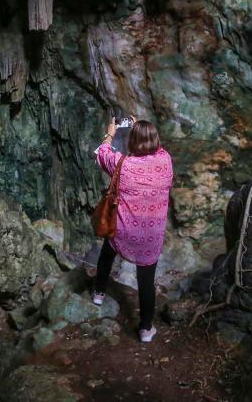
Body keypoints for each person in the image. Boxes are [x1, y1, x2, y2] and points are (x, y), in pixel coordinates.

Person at [93, 117, 173, 343]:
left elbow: (101, 153)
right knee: (146, 282)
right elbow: (158, 149)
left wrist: (111, 133)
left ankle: (98, 293)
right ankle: (146, 329)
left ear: (133, 142)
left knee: (107, 252)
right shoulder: (165, 161)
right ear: (155, 141)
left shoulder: (122, 164)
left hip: (123, 233)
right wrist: (144, 129)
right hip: (150, 238)